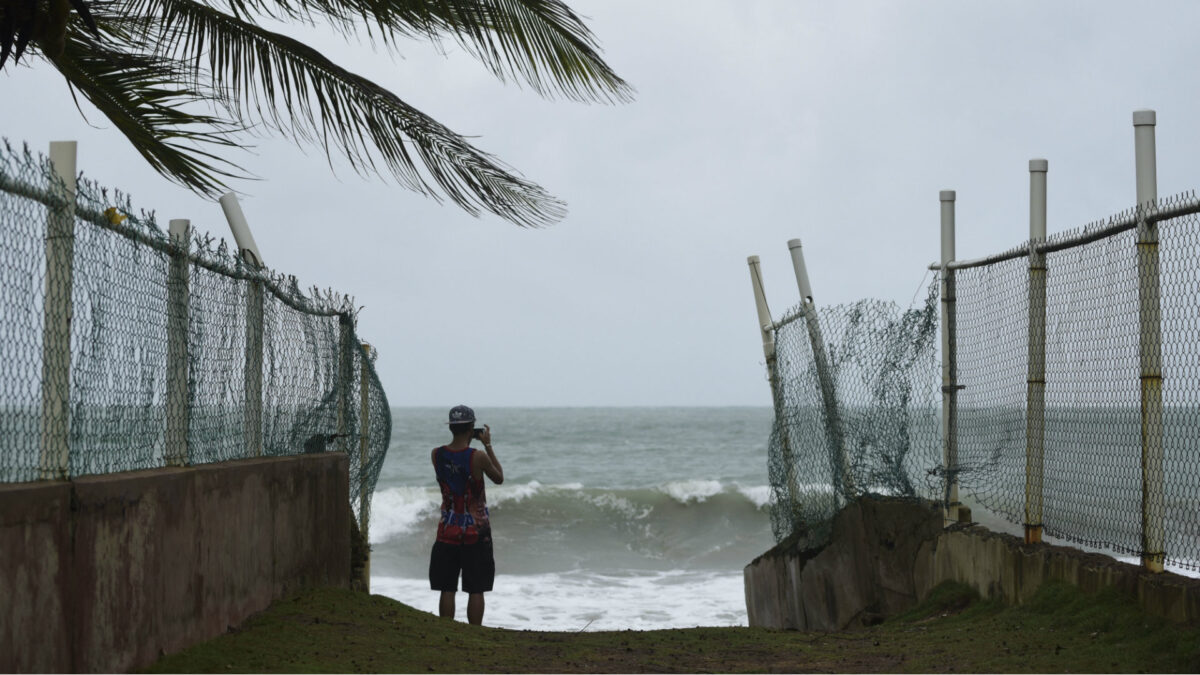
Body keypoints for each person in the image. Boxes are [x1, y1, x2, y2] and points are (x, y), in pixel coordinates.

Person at [429, 404, 504, 625]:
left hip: (447, 529)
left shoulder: (436, 454)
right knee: (476, 588)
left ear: (451, 427)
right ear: (472, 428)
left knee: (447, 587)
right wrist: (488, 444)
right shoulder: (478, 456)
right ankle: (474, 632)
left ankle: (447, 629)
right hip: (476, 532)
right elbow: (499, 477)